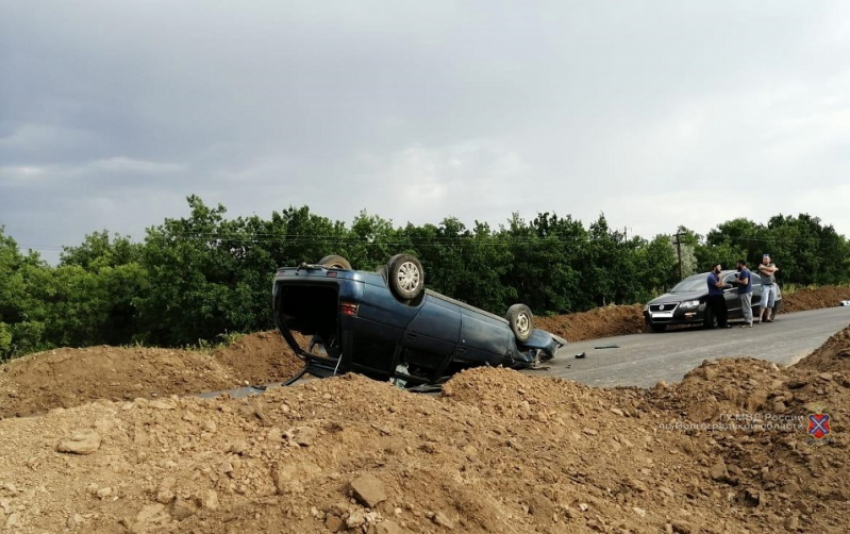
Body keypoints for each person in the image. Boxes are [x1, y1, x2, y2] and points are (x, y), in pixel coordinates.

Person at [706, 263, 731, 328]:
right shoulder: (711, 277)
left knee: (724, 310)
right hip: (715, 296)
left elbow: (722, 285)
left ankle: (724, 323)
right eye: (719, 267)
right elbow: (718, 285)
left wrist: (720, 280)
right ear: (714, 268)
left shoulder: (715, 276)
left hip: (720, 294)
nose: (720, 269)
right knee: (720, 311)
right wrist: (720, 278)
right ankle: (722, 324)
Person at [758, 254, 779, 323]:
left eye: (767, 259)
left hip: (772, 285)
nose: (765, 260)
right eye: (764, 259)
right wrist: (773, 270)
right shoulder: (760, 266)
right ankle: (760, 318)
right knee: (764, 302)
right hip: (765, 286)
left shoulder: (771, 264)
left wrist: (770, 268)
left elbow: (773, 268)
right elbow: (768, 274)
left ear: (769, 260)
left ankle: (768, 317)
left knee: (771, 302)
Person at [736, 259, 753, 327]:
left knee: (746, 307)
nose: (737, 266)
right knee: (747, 306)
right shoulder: (747, 270)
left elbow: (745, 282)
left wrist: (738, 281)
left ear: (740, 264)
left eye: (737, 264)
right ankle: (748, 321)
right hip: (747, 291)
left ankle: (748, 322)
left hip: (745, 292)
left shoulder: (744, 271)